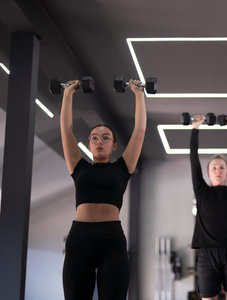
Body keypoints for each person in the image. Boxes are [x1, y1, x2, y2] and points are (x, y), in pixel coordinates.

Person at [60, 79, 146, 300]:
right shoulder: (77, 166)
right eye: (94, 138)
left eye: (106, 138)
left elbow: (139, 130)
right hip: (79, 240)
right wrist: (68, 94)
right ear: (89, 144)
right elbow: (66, 130)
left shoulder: (123, 167)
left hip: (112, 241)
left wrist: (138, 94)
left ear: (114, 145)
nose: (99, 141)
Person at [190, 115, 227, 300]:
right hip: (207, 253)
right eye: (214, 168)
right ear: (207, 173)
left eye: (222, 167)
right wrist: (195, 129)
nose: (218, 170)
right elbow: (193, 159)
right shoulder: (201, 190)